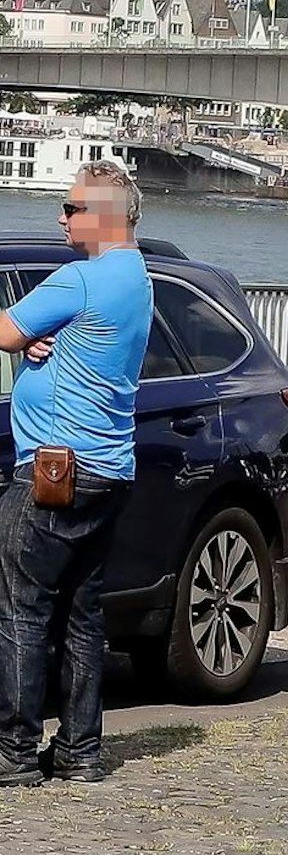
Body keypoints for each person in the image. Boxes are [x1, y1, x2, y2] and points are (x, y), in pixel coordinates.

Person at [0, 161, 153, 787]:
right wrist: (42, 338)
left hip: (53, 469)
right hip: (109, 466)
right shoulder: (137, 278)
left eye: (70, 208)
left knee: (22, 610)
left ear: (104, 215)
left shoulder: (80, 279)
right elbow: (52, 337)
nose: (61, 218)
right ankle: (80, 750)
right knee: (82, 614)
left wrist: (24, 335)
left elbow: (4, 332)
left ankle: (14, 752)